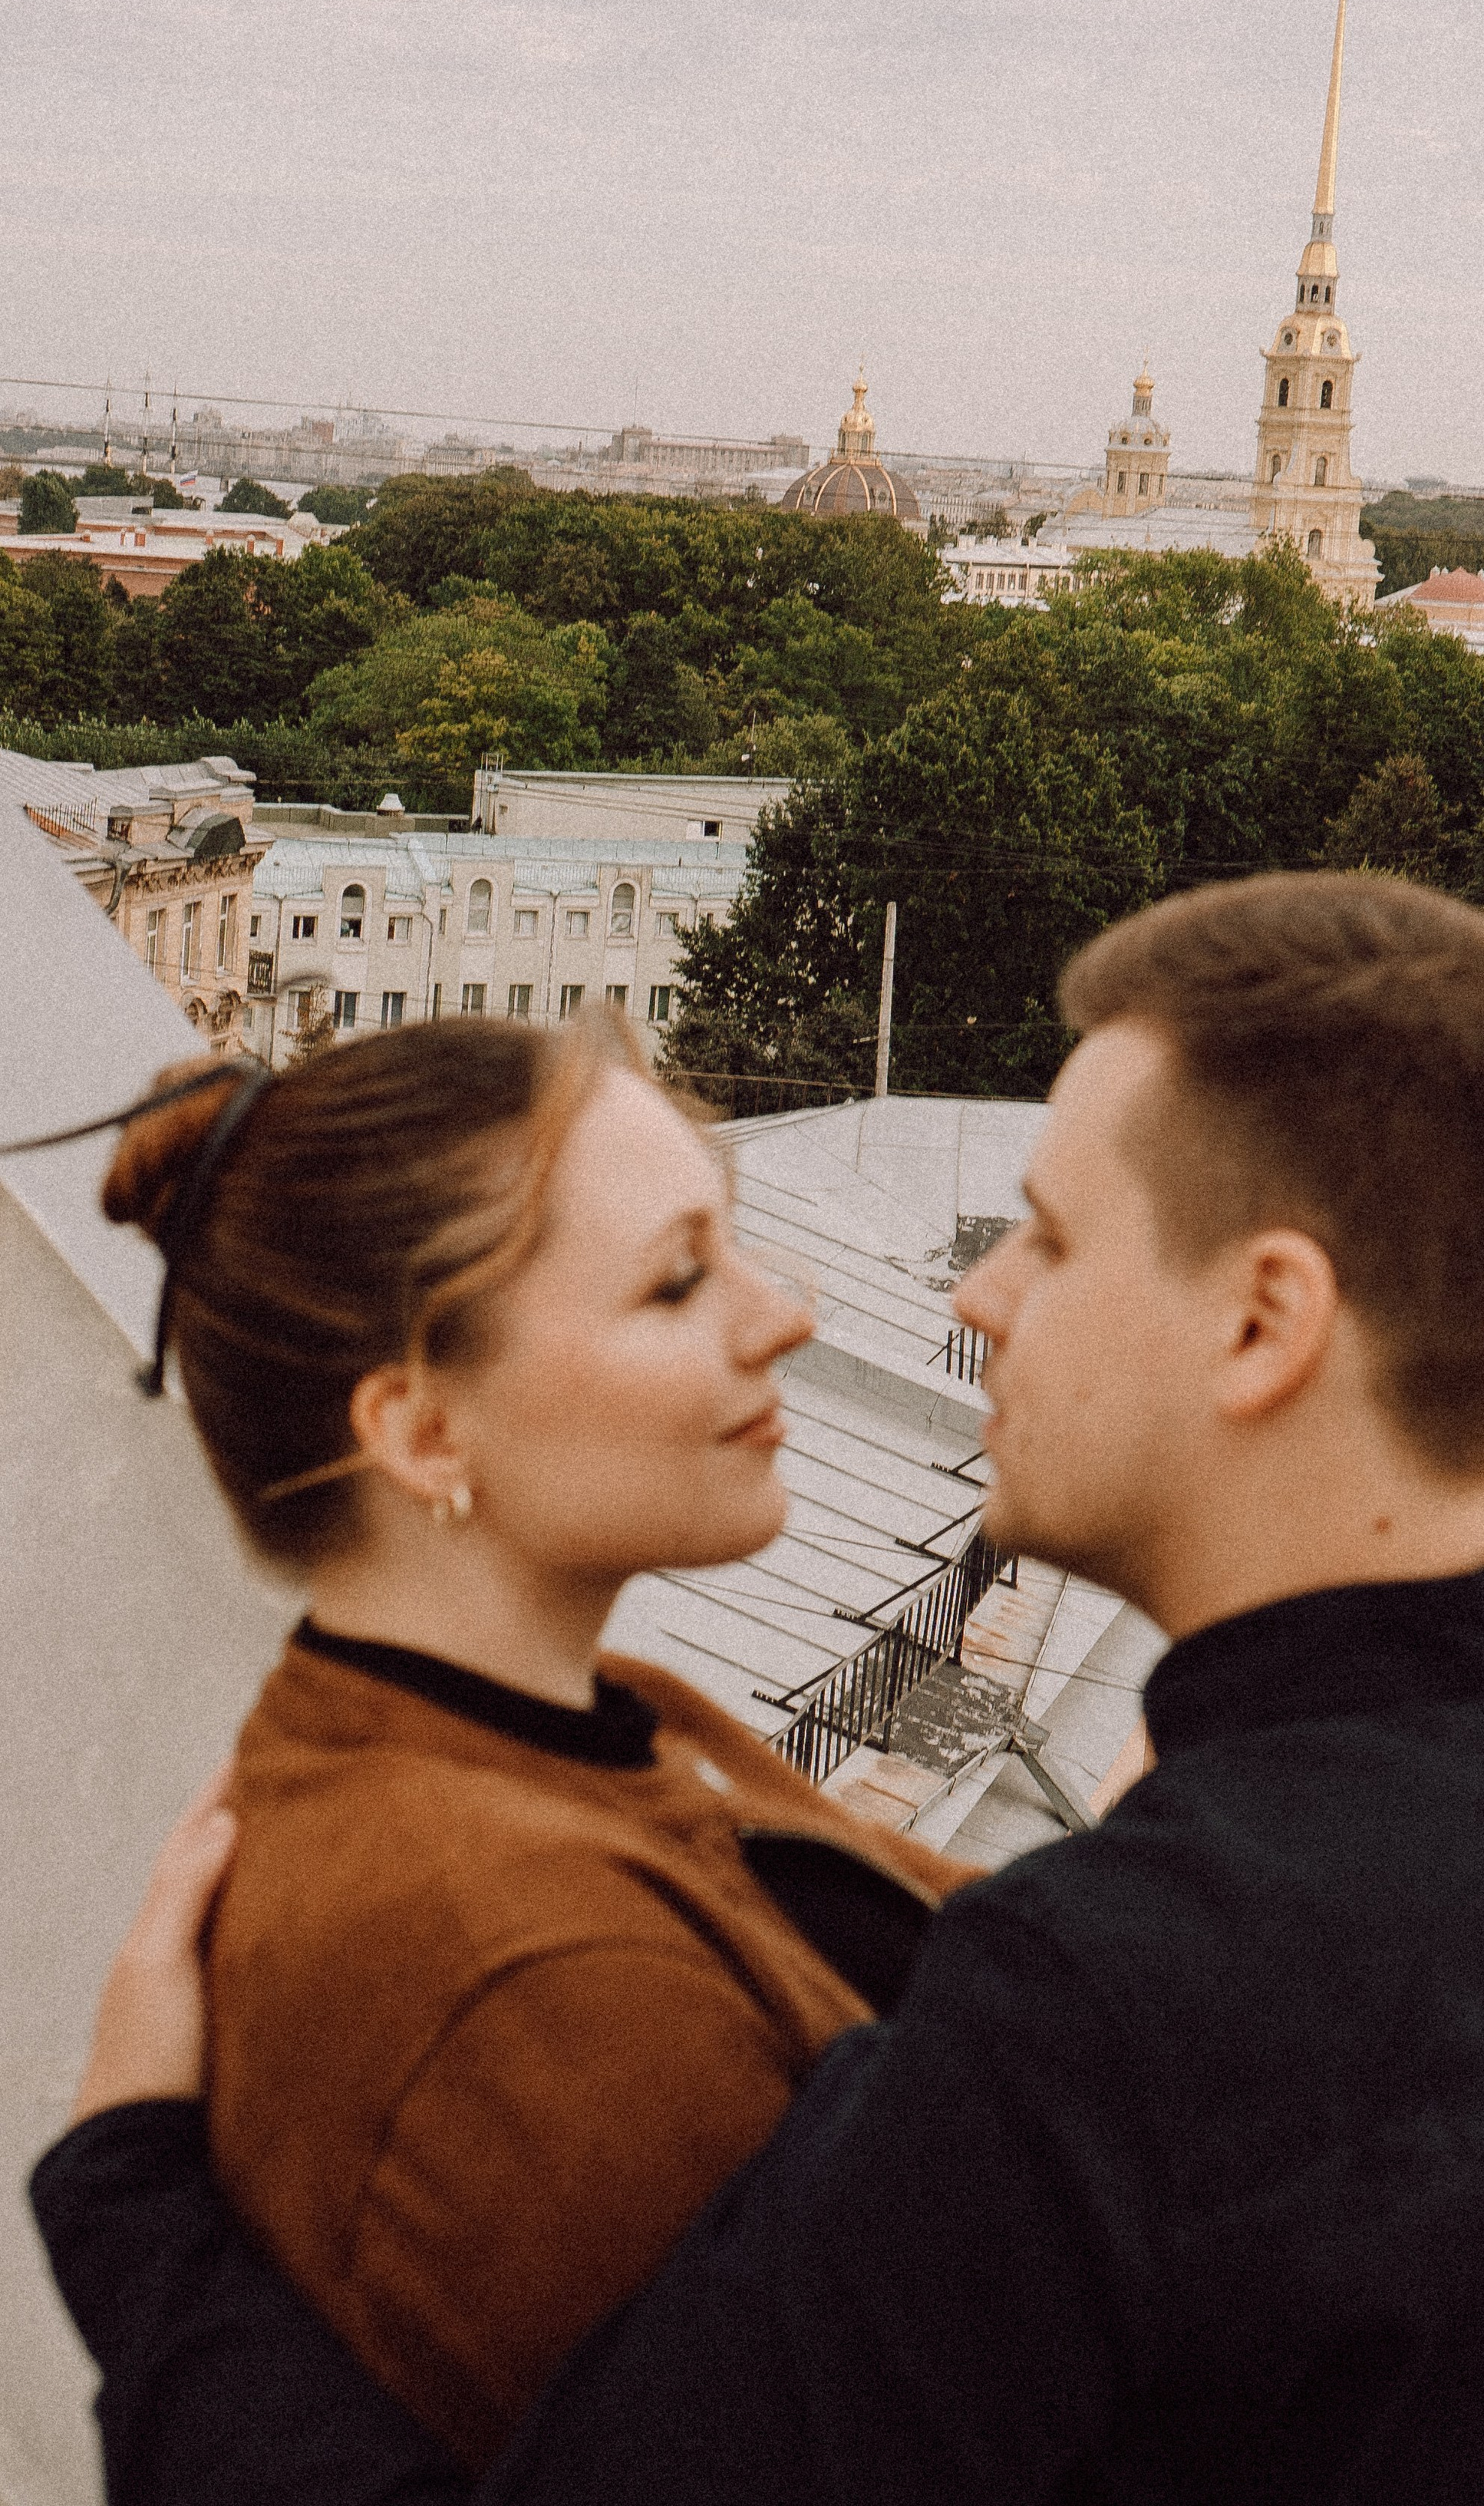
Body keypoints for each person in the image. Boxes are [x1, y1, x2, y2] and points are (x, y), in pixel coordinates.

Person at [32, 874, 1484, 2506]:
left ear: (1263, 1322)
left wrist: (136, 2218)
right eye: (683, 1277)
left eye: (1051, 1238)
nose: (974, 1297)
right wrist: (1477, 1627)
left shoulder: (1095, 2010)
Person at [40, 1010, 985, 2465]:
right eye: (679, 1283)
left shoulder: (552, 1734)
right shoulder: (529, 1969)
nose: (784, 1314)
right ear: (423, 1436)